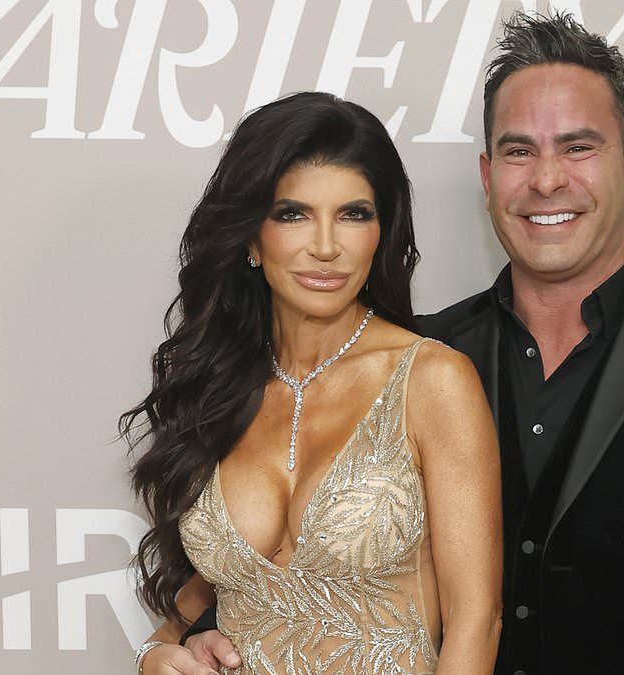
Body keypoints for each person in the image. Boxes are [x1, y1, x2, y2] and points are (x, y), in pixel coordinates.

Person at [181, 12, 624, 674]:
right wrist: (188, 638)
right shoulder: (422, 357)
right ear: (488, 175)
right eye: (519, 152)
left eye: (578, 148)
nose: (546, 180)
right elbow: (318, 579)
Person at [122, 91, 502, 675]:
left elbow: (477, 622)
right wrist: (155, 654)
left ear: (381, 232)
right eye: (292, 214)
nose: (326, 247)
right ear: (252, 238)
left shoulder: (432, 380)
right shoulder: (220, 385)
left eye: (354, 214)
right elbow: (220, 588)